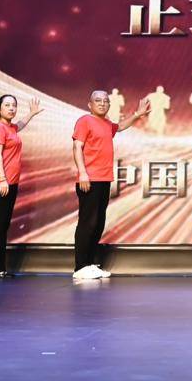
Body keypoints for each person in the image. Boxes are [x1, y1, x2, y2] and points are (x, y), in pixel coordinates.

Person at [72, 90, 150, 281]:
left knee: (98, 222)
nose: (102, 103)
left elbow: (120, 126)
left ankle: (90, 264)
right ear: (90, 104)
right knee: (88, 222)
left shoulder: (106, 123)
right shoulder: (85, 121)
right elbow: (77, 147)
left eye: (106, 101)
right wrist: (83, 173)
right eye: (98, 100)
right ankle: (80, 267)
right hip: (89, 179)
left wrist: (137, 114)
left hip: (104, 179)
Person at [0, 94, 42, 279]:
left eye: (13, 105)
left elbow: (20, 125)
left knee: (3, 225)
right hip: (1, 183)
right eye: (7, 105)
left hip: (10, 183)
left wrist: (31, 113)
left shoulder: (10, 128)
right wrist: (2, 179)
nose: (11, 108)